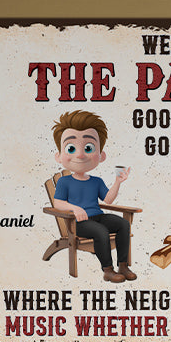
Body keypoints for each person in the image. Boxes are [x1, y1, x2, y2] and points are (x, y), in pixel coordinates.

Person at [50, 110, 135, 284]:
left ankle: (123, 265)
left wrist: (118, 182)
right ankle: (108, 270)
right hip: (78, 223)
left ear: (101, 156)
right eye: (71, 149)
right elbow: (58, 202)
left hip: (98, 217)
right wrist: (74, 208)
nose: (80, 155)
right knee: (101, 232)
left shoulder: (96, 181)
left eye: (88, 148)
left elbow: (108, 200)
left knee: (123, 224)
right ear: (59, 156)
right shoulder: (65, 182)